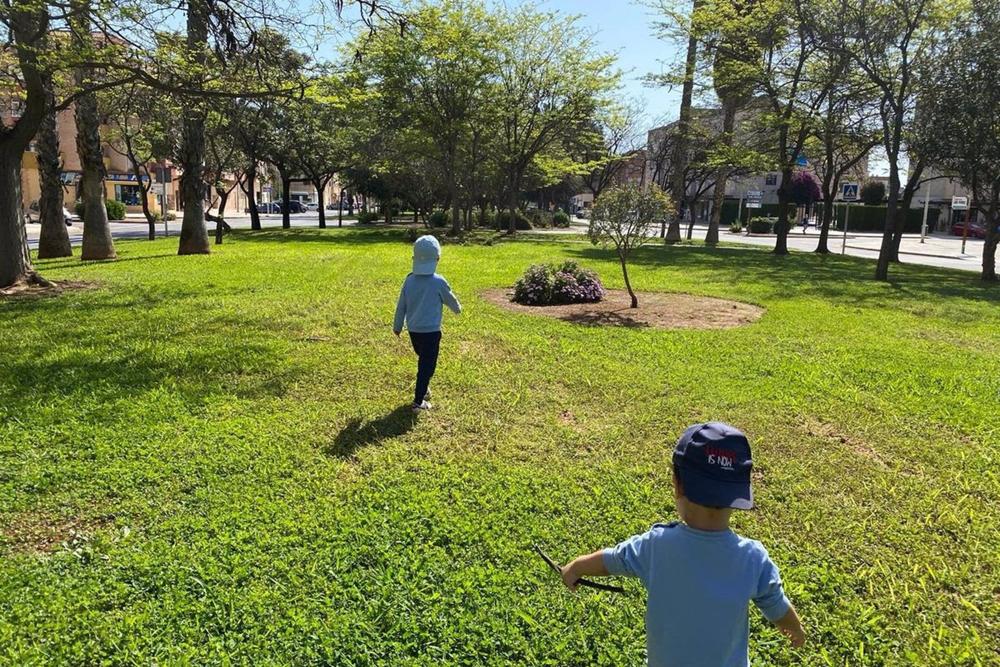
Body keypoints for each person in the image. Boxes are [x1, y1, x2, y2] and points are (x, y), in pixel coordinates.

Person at [560, 422, 806, 667]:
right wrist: (794, 629)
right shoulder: (753, 558)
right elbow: (776, 606)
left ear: (677, 485)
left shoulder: (656, 546)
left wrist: (576, 568)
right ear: (740, 493)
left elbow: (613, 559)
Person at [393, 235, 462, 412]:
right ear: (437, 258)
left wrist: (397, 326)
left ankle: (423, 388)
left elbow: (401, 305)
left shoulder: (409, 280)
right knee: (427, 366)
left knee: (424, 360)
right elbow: (450, 299)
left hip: (414, 332)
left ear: (414, 258)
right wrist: (457, 309)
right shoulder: (438, 281)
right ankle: (418, 402)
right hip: (431, 333)